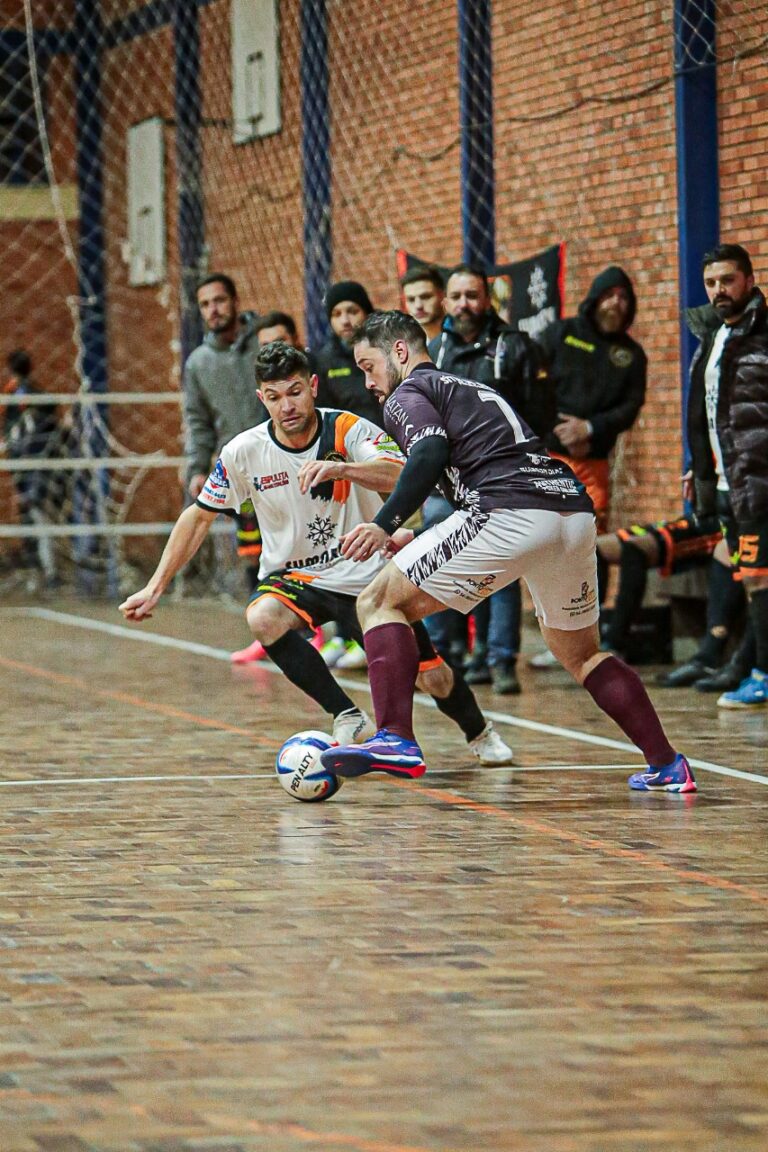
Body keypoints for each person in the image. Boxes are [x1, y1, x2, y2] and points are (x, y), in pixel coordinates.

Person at [319, 311, 694, 795]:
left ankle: (395, 738)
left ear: (400, 351)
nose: (369, 382)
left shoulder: (407, 393)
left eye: (369, 366)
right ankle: (668, 763)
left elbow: (429, 455)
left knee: (377, 601)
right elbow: (468, 471)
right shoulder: (471, 387)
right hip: (568, 512)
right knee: (583, 655)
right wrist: (419, 536)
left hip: (507, 511)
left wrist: (383, 523)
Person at [119, 342, 514, 768]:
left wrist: (342, 468)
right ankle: (347, 714)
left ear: (312, 386)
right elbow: (197, 517)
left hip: (364, 575)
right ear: (262, 399)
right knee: (262, 617)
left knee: (431, 676)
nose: (286, 406)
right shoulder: (243, 452)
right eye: (274, 397)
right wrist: (155, 586)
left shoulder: (348, 429)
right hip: (295, 577)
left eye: (294, 392)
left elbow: (403, 473)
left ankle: (479, 732)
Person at [428, 263, 554, 694]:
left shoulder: (514, 347)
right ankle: (448, 654)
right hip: (447, 481)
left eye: (472, 295)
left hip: (503, 479)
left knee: (503, 567)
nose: (464, 304)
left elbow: (539, 414)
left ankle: (499, 659)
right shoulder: (432, 352)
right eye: (456, 296)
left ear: (487, 299)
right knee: (444, 562)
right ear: (445, 301)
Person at [528, 264, 647, 668]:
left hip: (593, 463)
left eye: (624, 298)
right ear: (595, 298)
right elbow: (532, 385)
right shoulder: (560, 334)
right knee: (547, 546)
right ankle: (556, 636)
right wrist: (556, 429)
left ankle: (588, 640)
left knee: (587, 546)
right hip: (549, 458)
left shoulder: (630, 356)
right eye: (609, 295)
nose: (616, 303)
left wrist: (591, 428)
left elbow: (629, 408)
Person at [683, 242, 768, 709]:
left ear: (749, 281)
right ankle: (748, 664)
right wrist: (698, 466)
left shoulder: (762, 335)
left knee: (758, 577)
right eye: (711, 283)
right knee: (747, 576)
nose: (719, 290)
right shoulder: (712, 337)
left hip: (757, 481)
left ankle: (761, 673)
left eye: (728, 281)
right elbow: (705, 414)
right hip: (723, 481)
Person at [182, 273, 266, 598]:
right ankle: (261, 614)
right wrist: (197, 468)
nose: (213, 309)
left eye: (219, 300)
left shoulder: (263, 342)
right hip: (240, 470)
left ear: (235, 301)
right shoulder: (198, 364)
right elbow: (199, 422)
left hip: (282, 457)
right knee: (253, 549)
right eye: (205, 304)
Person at [314, 280, 379, 670]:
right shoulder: (323, 361)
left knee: (380, 549)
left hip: (384, 465)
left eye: (353, 311)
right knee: (344, 551)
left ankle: (373, 633)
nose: (346, 319)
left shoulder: (381, 353)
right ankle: (344, 633)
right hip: (346, 470)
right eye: (337, 314)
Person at [597, 513, 742, 664]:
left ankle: (615, 641)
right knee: (595, 548)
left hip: (719, 523)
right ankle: (592, 634)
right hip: (693, 518)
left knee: (635, 547)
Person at [2, 349, 62, 587]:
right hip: (25, 465)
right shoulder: (14, 395)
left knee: (36, 514)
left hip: (34, 465)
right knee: (30, 514)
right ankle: (40, 570)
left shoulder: (31, 396)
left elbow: (48, 416)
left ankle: (47, 571)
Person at [400, 264, 445, 342]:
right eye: (411, 300)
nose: (418, 305)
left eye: (425, 297)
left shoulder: (461, 336)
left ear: (442, 296)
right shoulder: (405, 343)